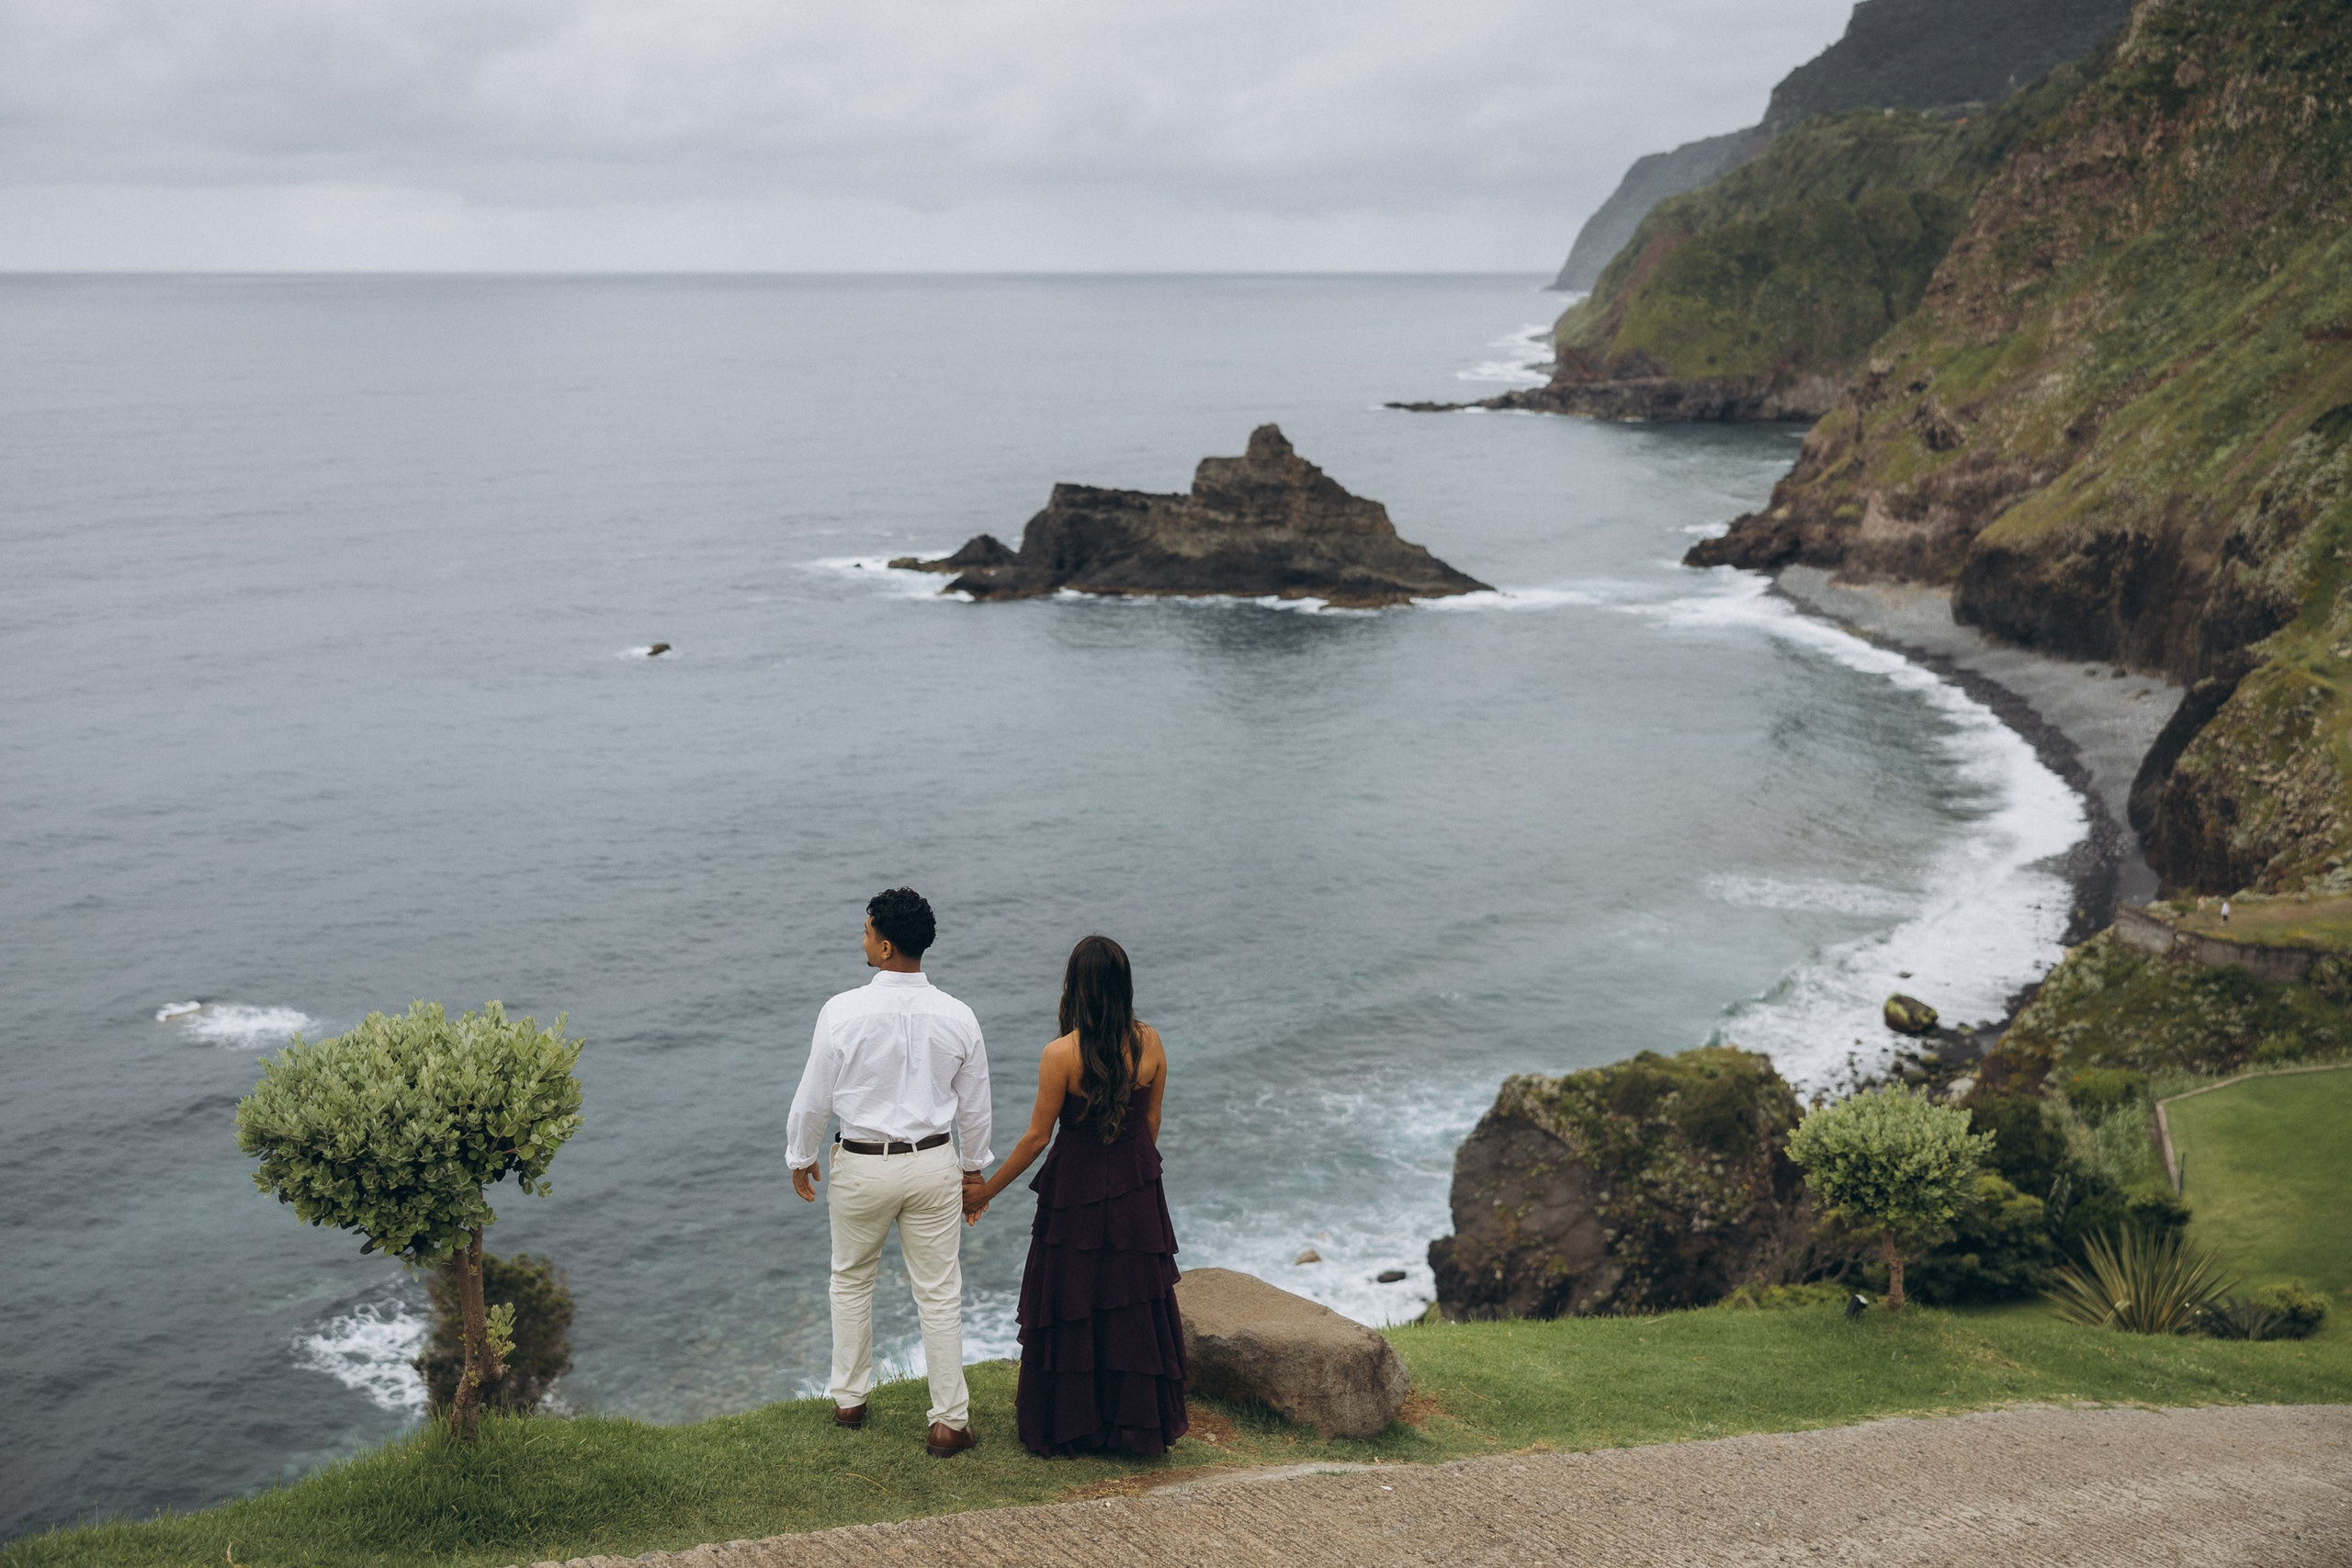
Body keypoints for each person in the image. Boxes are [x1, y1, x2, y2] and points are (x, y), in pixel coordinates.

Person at [787, 887, 992, 1459]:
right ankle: (950, 1421)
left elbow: (813, 1098)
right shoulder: (959, 1016)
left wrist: (800, 1155)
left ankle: (850, 1400)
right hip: (933, 1163)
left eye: (866, 930)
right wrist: (974, 1172)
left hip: (862, 1162)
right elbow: (976, 1107)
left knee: (851, 1278)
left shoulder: (841, 1011)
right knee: (939, 1293)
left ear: (884, 944)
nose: (862, 939)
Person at [967, 934, 1187, 1456]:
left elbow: (1036, 1138)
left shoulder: (1060, 1054)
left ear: (1075, 989)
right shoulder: (1150, 1043)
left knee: (1072, 1303)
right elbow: (1151, 1122)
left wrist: (983, 1193)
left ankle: (1075, 1425)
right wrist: (1129, 1174)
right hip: (1136, 1192)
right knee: (1132, 1303)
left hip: (1074, 1196)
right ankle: (1131, 1426)